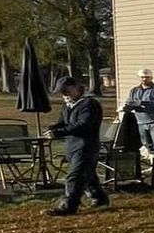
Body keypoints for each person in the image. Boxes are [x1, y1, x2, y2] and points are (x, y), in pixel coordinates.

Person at [46, 75, 108, 215]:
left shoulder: (89, 104)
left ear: (76, 88)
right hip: (72, 146)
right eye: (62, 92)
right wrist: (53, 128)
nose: (64, 95)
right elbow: (63, 122)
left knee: (75, 176)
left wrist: (59, 133)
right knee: (88, 175)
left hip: (86, 146)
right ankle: (99, 198)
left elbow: (83, 125)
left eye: (66, 91)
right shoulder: (67, 106)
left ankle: (68, 206)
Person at [124, 68, 154, 167]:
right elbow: (131, 102)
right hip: (141, 121)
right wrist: (127, 107)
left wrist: (141, 103)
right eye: (142, 77)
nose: (144, 79)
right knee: (147, 144)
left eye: (147, 77)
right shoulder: (134, 90)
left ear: (151, 78)